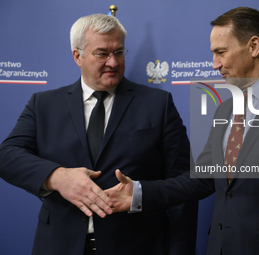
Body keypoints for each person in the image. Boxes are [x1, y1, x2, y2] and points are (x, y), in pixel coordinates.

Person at [106, 7, 259, 255]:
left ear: (254, 47)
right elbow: (203, 179)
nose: (215, 64)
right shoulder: (226, 109)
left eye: (221, 52)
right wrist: (140, 192)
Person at [0, 14, 199, 255]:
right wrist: (57, 177)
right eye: (102, 53)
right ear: (77, 56)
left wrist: (141, 196)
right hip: (57, 246)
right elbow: (7, 156)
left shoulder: (158, 104)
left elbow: (188, 180)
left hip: (139, 246)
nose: (113, 63)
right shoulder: (43, 104)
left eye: (119, 52)